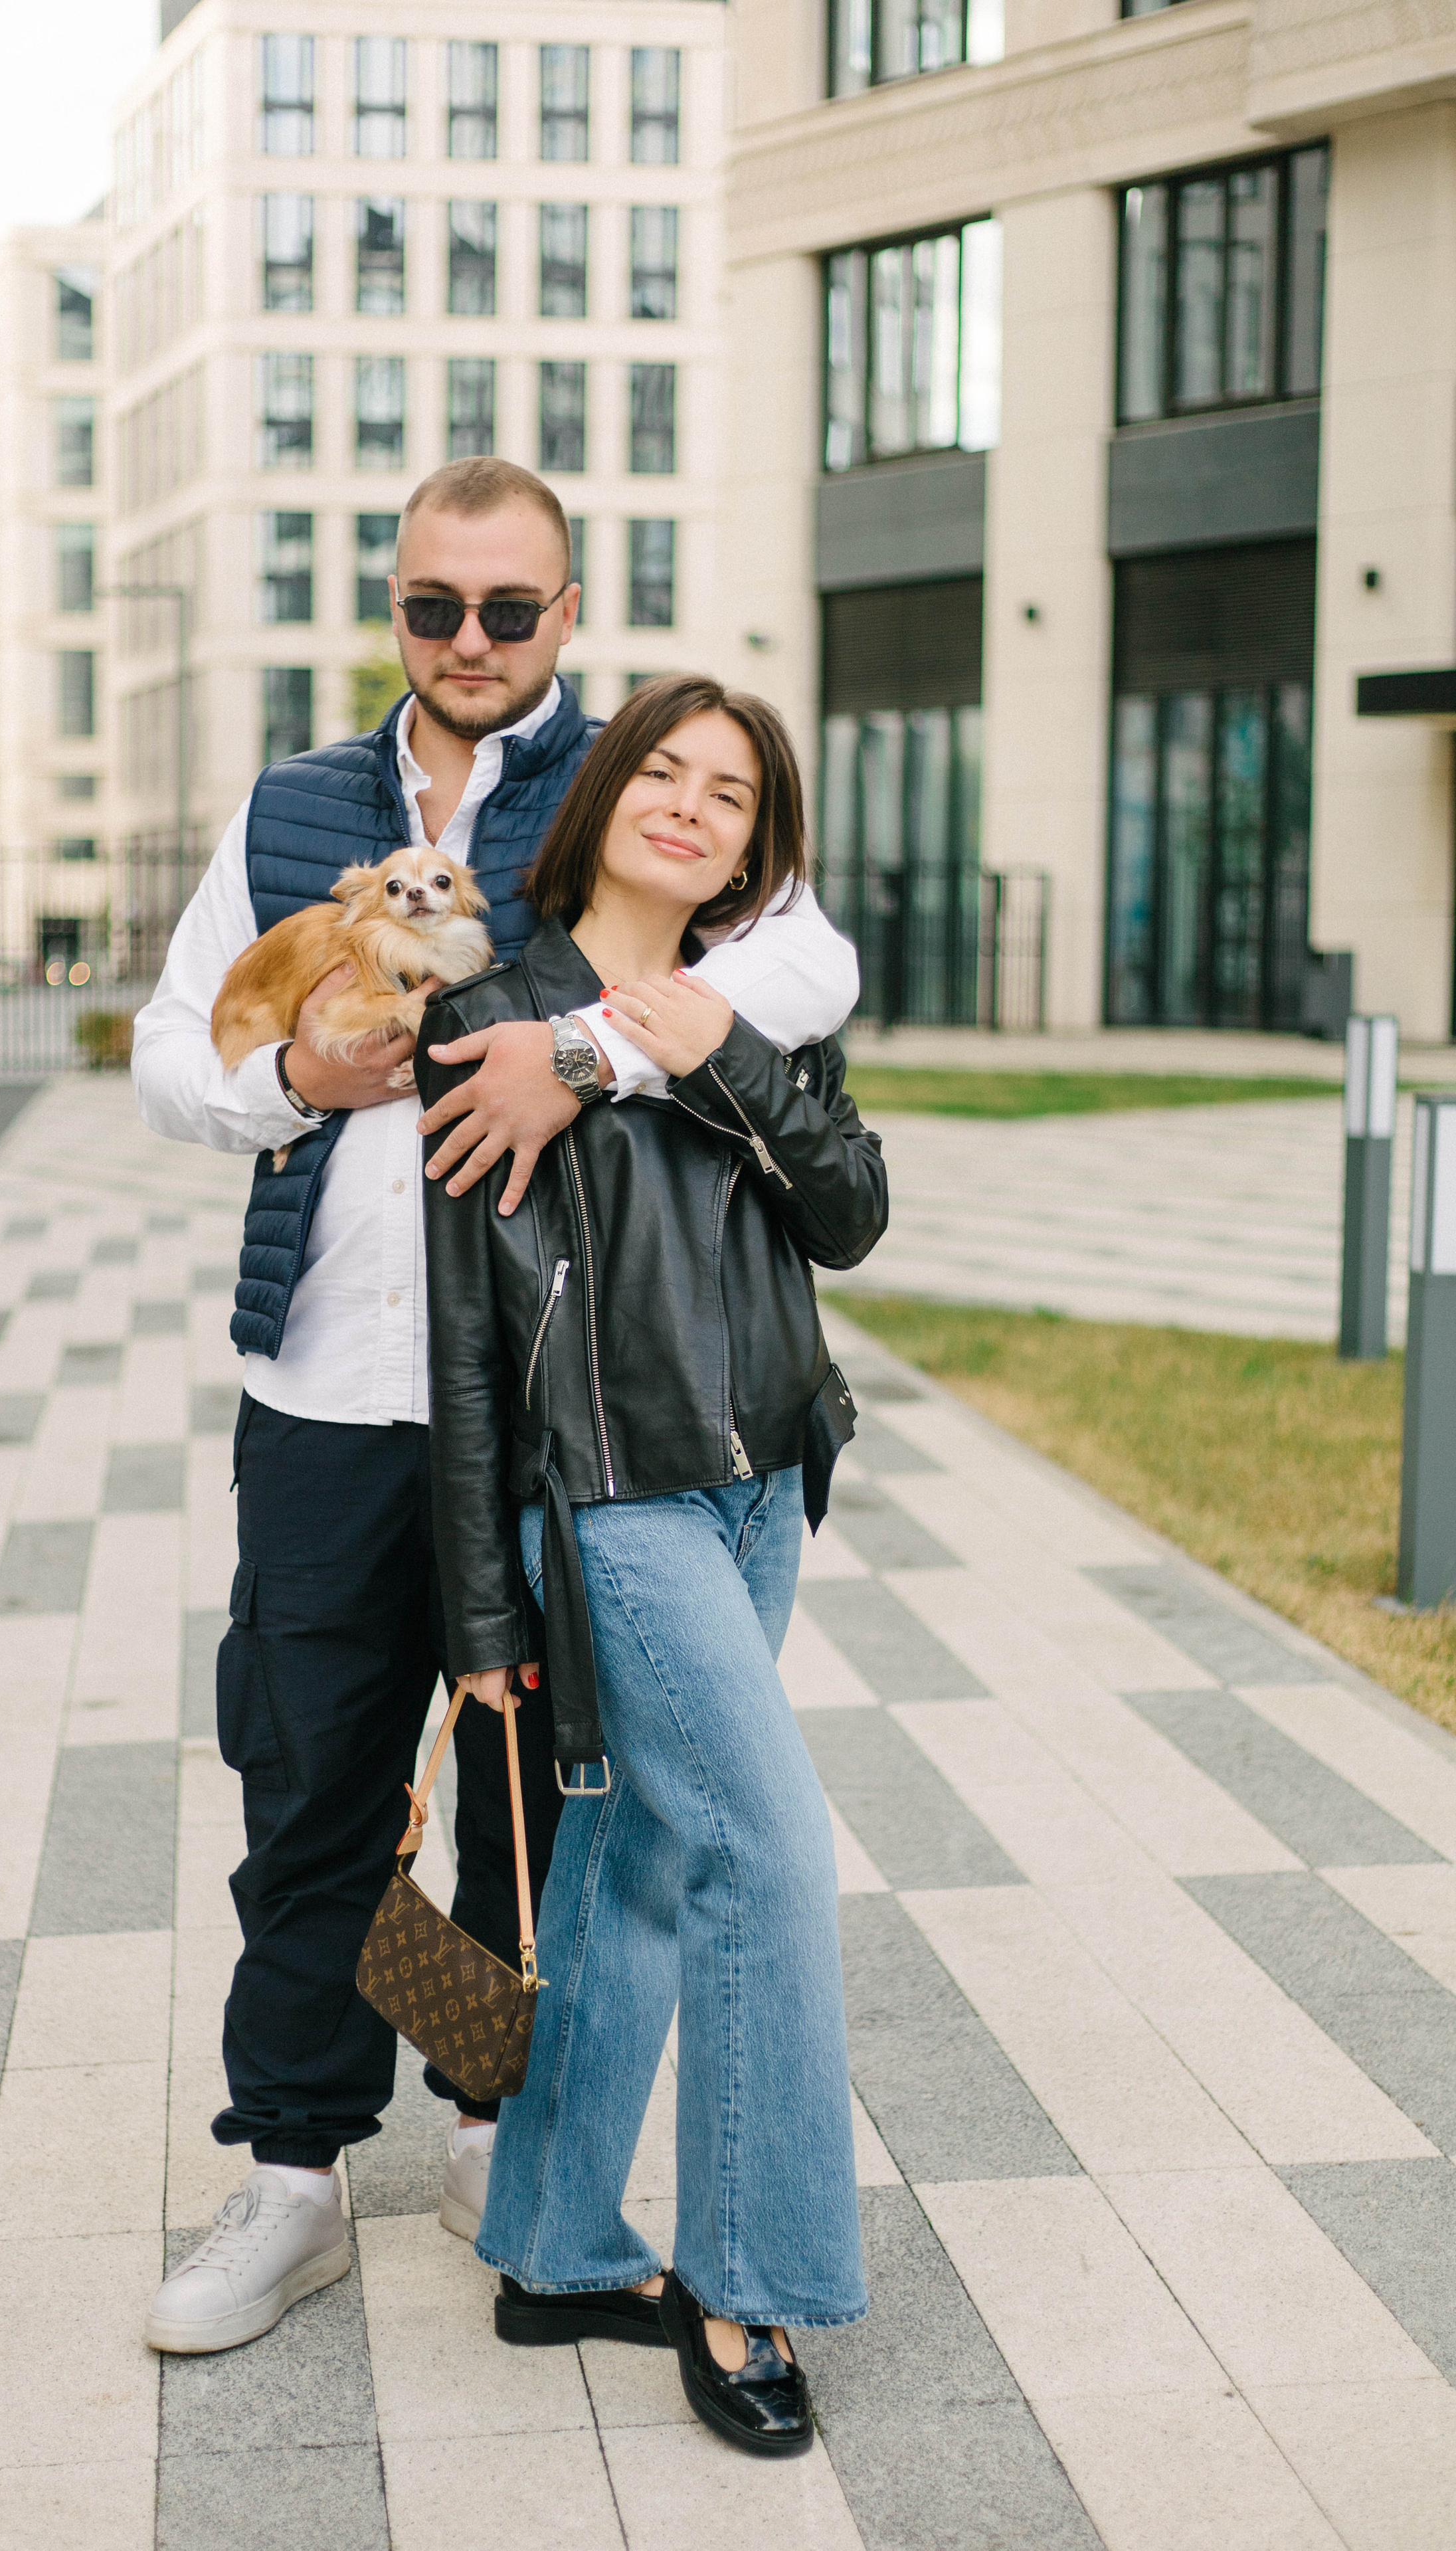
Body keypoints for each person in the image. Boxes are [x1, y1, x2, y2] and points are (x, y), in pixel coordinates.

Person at [130, 459, 862, 2357]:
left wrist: (578, 1047)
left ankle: (482, 2126)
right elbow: (164, 1047)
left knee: (537, 1789)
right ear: (393, 606)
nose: (470, 643)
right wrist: (291, 1071)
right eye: (433, 607)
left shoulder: (618, 782)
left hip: (550, 1405)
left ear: (564, 612)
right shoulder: (295, 806)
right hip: (320, 1380)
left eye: (510, 611)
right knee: (311, 1784)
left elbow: (803, 959)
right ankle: (293, 2173)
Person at [416, 674, 887, 2455]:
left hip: (764, 1482)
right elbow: (465, 1347)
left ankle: (547, 2243)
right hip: (610, 1503)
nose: (695, 806)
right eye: (667, 773)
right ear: (608, 791)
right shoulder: (498, 1008)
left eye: (735, 795)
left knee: (626, 1857)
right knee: (766, 1852)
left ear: (759, 845)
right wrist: (478, 1612)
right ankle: (749, 2283)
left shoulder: (750, 1000)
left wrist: (719, 1052)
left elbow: (849, 1210)